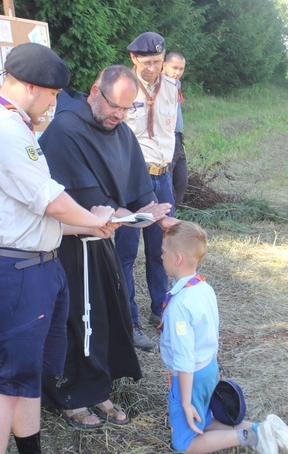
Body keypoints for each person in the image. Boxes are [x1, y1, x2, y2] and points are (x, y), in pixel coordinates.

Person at [0, 43, 116, 454]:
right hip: (13, 271)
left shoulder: (17, 124)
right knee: (6, 385)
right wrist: (88, 219)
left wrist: (95, 222)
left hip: (37, 264)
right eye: (52, 95)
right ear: (30, 87)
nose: (54, 103)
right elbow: (51, 200)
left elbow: (41, 211)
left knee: (28, 377)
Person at [39, 65, 175, 429]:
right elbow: (71, 196)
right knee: (72, 320)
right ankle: (68, 395)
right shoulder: (66, 129)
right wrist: (112, 213)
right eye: (114, 106)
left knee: (100, 317)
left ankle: (96, 388)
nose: (118, 115)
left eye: (127, 109)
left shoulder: (119, 130)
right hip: (66, 244)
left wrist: (151, 212)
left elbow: (134, 187)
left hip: (101, 242)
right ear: (94, 92)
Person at [159, 221, 288, 454]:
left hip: (191, 375)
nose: (159, 255)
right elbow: (211, 331)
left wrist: (185, 401)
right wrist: (213, 368)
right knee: (203, 418)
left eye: (162, 252)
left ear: (177, 258)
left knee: (185, 442)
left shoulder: (180, 305)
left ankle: (250, 435)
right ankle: (266, 428)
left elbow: (184, 358)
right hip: (207, 368)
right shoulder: (203, 288)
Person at [115, 32, 179, 351]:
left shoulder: (172, 87)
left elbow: (172, 134)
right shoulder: (122, 88)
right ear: (134, 59)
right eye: (147, 62)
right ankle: (131, 321)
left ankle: (161, 311)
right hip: (131, 181)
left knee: (160, 250)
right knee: (126, 254)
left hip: (162, 177)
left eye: (158, 61)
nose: (153, 68)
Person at [162, 52, 188, 208]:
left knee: (182, 181)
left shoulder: (177, 84)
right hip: (166, 138)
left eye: (181, 69)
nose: (177, 72)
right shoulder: (158, 84)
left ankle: (174, 213)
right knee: (167, 184)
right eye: (174, 68)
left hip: (178, 138)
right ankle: (166, 219)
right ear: (165, 65)